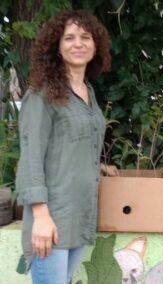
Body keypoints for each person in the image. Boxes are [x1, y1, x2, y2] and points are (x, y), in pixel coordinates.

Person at [15, 10, 118, 284]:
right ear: (57, 47)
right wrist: (40, 217)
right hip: (52, 219)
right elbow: (31, 155)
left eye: (85, 37)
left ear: (96, 45)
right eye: (69, 37)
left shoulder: (88, 91)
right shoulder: (42, 93)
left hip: (81, 215)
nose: (78, 43)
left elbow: (71, 142)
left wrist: (100, 165)